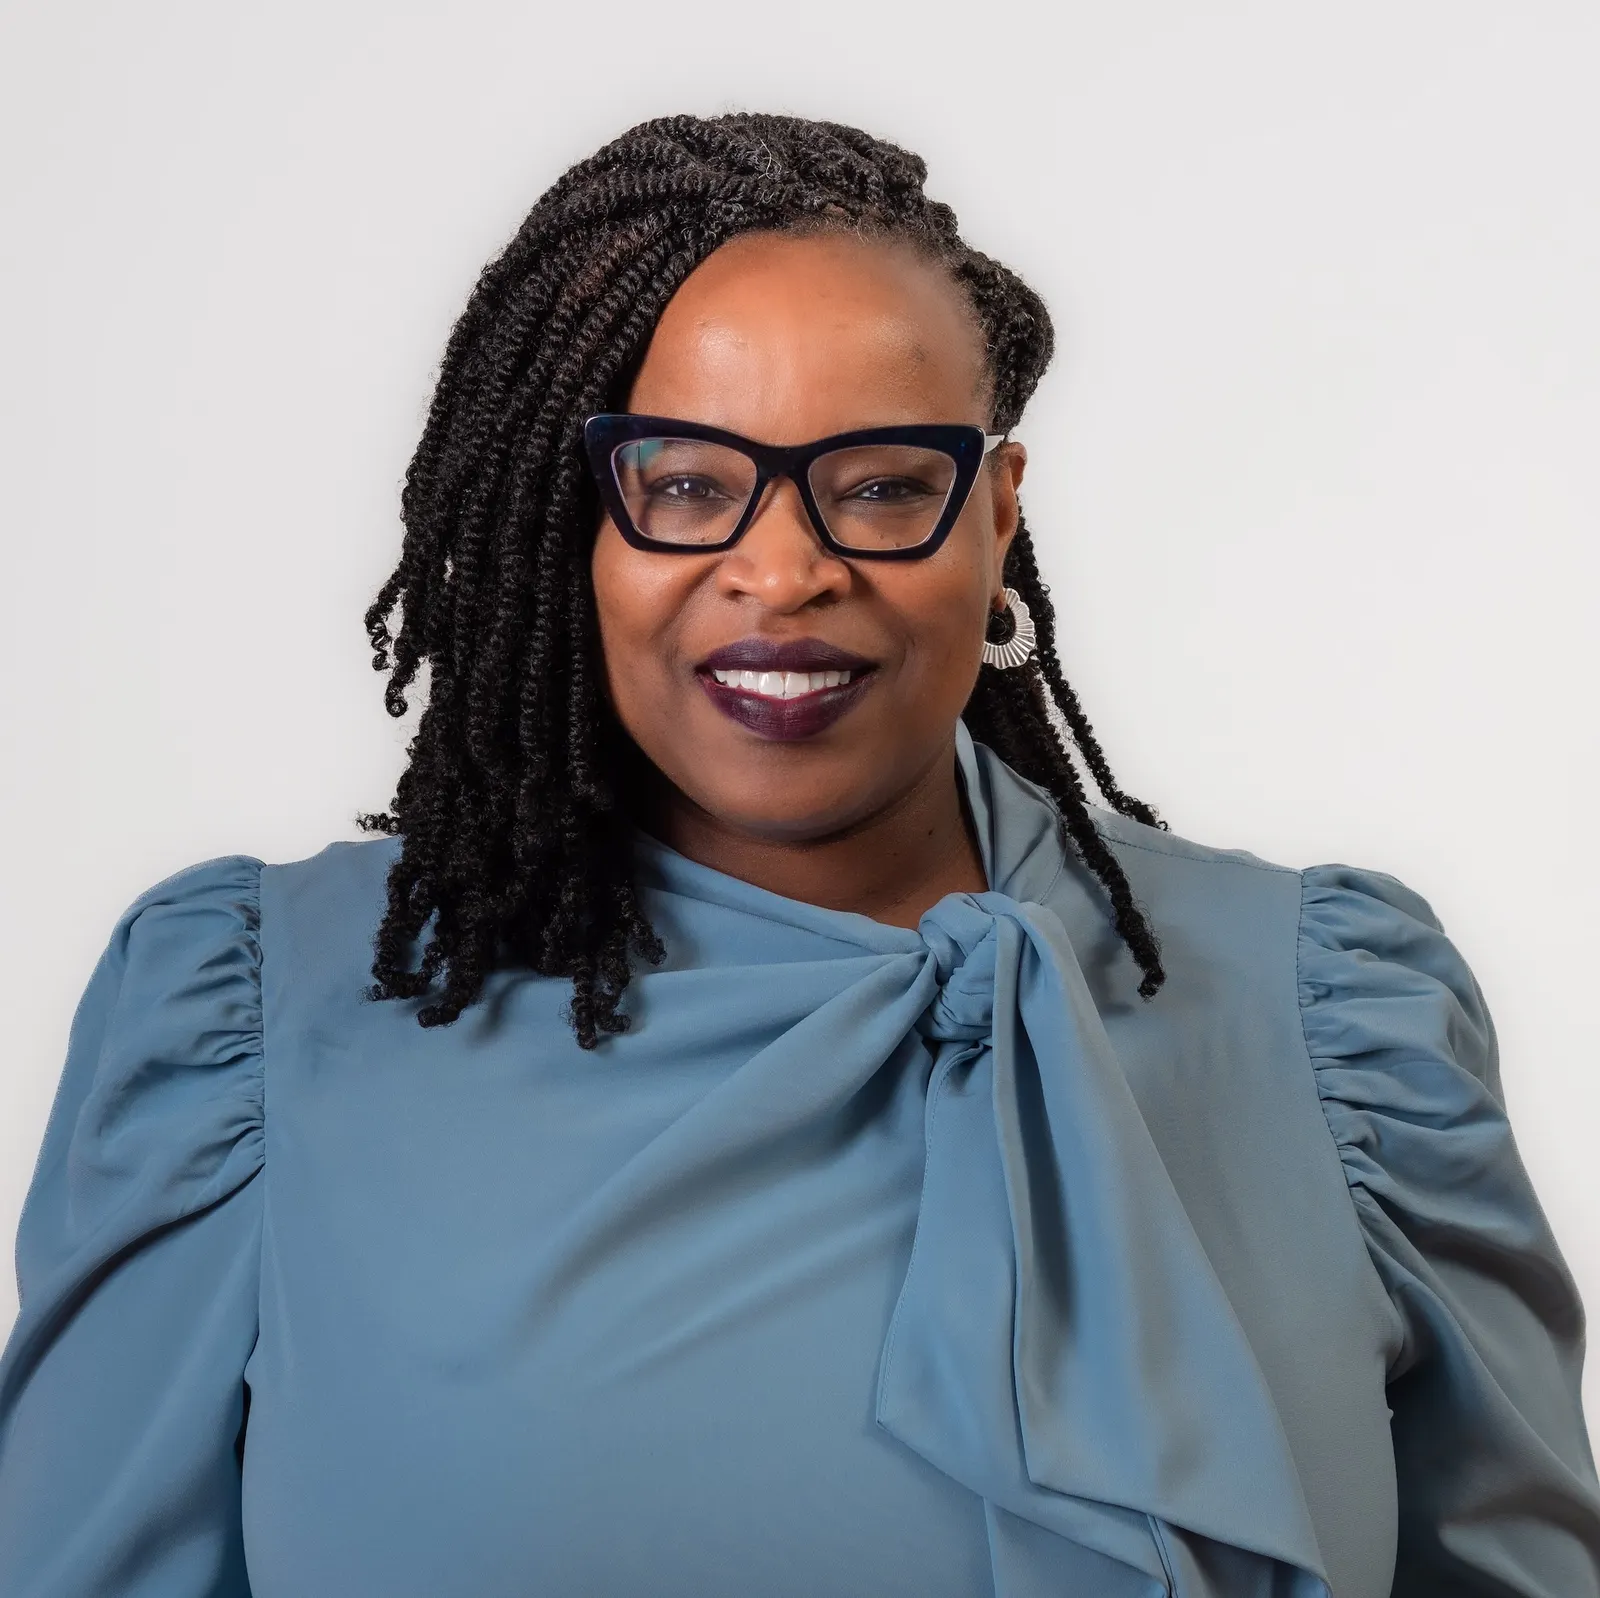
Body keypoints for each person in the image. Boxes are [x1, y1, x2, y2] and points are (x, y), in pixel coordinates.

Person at [0, 111, 1595, 1598]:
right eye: (687, 484)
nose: (781, 571)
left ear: (998, 515)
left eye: (883, 485)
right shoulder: (257, 1032)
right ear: (575, 524)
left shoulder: (1333, 1022)